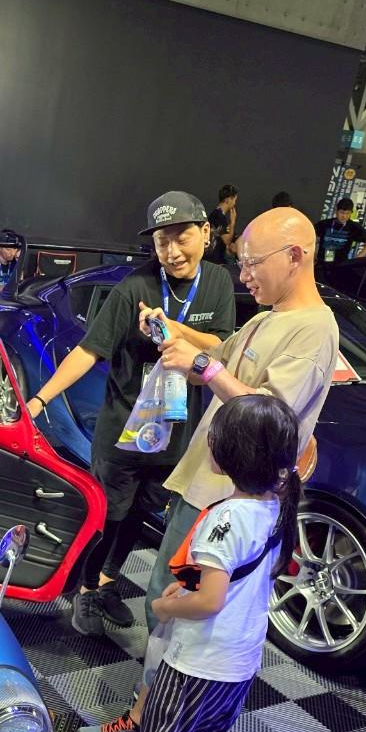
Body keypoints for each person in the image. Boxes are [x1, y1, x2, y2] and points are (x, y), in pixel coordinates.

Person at [78, 206, 338, 732]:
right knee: (169, 602)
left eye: (252, 263)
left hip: (227, 500)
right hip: (208, 490)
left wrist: (203, 368)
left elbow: (269, 415)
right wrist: (174, 335)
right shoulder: (269, 318)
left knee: (177, 607)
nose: (244, 276)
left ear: (295, 256)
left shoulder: (315, 330)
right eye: (240, 263)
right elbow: (219, 354)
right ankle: (156, 717)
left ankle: (149, 724)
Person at [99, 393, 302, 732]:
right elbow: (233, 581)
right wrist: (190, 589)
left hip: (198, 660)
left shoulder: (223, 519)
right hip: (240, 660)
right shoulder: (277, 507)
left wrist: (166, 606)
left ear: (227, 454)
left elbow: (210, 601)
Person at [25, 191, 235, 636]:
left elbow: (221, 345)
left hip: (176, 435)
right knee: (107, 516)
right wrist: (40, 399)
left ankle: (106, 582)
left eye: (181, 237)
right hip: (123, 432)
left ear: (205, 233)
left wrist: (174, 329)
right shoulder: (133, 288)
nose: (172, 251)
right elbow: (88, 351)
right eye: (162, 241)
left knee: (139, 514)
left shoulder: (218, 282)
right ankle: (84, 590)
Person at [314, 197, 366, 265]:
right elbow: (311, 235)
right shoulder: (325, 224)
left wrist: (358, 258)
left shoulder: (353, 227)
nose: (344, 216)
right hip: (321, 264)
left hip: (341, 265)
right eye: (342, 213)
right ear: (336, 211)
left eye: (348, 213)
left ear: (351, 213)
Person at [208, 184, 238, 264]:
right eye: (234, 200)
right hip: (215, 260)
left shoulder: (217, 214)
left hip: (214, 259)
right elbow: (227, 241)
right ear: (229, 199)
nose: (234, 203)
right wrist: (233, 222)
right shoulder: (219, 216)